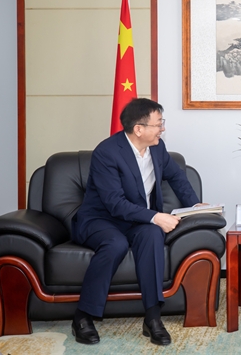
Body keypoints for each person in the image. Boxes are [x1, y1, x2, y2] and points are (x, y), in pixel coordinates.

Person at [71, 98, 201, 346]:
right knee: (116, 244)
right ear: (138, 129)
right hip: (101, 219)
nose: (162, 128)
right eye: (158, 124)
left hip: (136, 220)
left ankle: (152, 318)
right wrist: (155, 216)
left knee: (152, 235)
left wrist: (196, 207)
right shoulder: (107, 152)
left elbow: (177, 178)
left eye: (162, 123)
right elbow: (114, 203)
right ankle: (82, 316)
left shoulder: (157, 148)